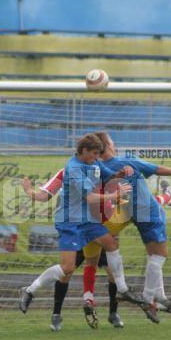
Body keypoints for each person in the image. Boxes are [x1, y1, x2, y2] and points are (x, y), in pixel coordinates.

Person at [23, 166, 171, 330]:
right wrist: (30, 192)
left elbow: (115, 192)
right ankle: (58, 311)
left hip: (101, 226)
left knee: (108, 264)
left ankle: (116, 308)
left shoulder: (102, 170)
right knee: (70, 269)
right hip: (83, 228)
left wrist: (118, 189)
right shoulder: (69, 172)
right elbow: (47, 195)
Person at [19, 133, 140, 315]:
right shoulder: (73, 169)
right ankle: (30, 290)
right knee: (67, 268)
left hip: (89, 221)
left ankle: (123, 290)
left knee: (111, 244)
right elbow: (89, 197)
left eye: (98, 154)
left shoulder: (94, 162)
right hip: (70, 223)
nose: (97, 158)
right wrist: (29, 192)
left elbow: (109, 176)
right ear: (84, 151)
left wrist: (121, 173)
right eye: (94, 154)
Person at [95, 131, 171, 323]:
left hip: (134, 214)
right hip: (149, 211)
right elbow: (156, 168)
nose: (114, 142)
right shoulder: (125, 162)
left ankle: (160, 298)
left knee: (153, 255)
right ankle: (148, 299)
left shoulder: (100, 169)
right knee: (160, 255)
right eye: (111, 139)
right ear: (107, 144)